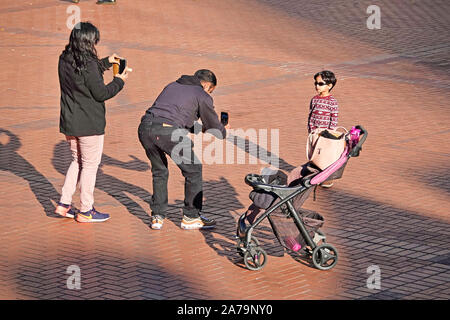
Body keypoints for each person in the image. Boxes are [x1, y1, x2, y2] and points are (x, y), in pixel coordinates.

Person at [55, 21, 130, 222]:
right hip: (89, 124)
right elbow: (101, 93)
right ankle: (86, 210)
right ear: (88, 42)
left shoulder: (65, 58)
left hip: (69, 121)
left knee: (76, 161)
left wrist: (106, 61)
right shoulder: (87, 64)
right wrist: (119, 81)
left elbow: (84, 74)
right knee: (89, 165)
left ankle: (64, 203)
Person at [138, 69, 227, 230]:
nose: (209, 93)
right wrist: (222, 130)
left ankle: (157, 216)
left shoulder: (172, 85)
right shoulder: (201, 94)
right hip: (168, 132)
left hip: (145, 128)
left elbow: (176, 116)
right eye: (211, 90)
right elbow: (213, 124)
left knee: (160, 171)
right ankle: (191, 217)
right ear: (207, 85)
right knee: (193, 170)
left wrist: (200, 129)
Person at [307, 70, 339, 188]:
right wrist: (311, 130)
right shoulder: (314, 99)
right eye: (316, 83)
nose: (317, 86)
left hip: (326, 135)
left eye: (320, 84)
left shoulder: (332, 102)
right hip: (314, 133)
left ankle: (327, 178)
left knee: (326, 156)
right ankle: (317, 175)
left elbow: (334, 119)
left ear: (329, 86)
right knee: (315, 155)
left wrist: (329, 134)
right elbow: (311, 116)